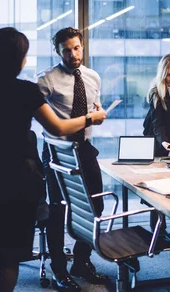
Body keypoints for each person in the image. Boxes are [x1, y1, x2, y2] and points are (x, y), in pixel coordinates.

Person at [0, 27, 106, 292]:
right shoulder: (26, 90)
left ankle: (80, 262)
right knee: (10, 259)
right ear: (19, 60)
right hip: (18, 181)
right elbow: (57, 128)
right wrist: (91, 119)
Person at [37, 27, 108, 291]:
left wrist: (96, 114)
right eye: (66, 50)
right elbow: (43, 118)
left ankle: (81, 261)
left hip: (85, 148)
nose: (73, 54)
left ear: (82, 46)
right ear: (58, 51)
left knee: (96, 207)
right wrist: (90, 118)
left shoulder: (93, 77)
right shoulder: (46, 80)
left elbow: (92, 112)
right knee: (58, 210)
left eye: (76, 48)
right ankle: (59, 269)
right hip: (57, 150)